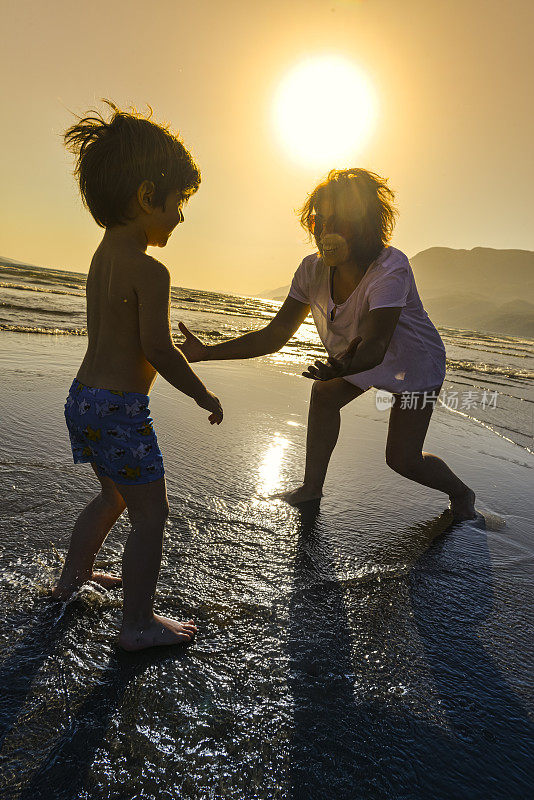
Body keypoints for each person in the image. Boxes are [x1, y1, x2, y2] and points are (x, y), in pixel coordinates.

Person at [179, 168, 476, 521]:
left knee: (402, 460)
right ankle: (311, 490)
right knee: (324, 394)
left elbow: (377, 344)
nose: (326, 230)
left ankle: (462, 494)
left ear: (366, 222)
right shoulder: (312, 270)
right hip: (357, 357)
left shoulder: (389, 268)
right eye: (321, 219)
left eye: (340, 219)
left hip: (414, 363)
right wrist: (207, 352)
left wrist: (344, 366)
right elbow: (275, 336)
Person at [52, 101, 223, 651]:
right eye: (178, 204)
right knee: (152, 513)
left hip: (83, 400)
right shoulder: (151, 270)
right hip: (121, 408)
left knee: (111, 499)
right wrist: (202, 391)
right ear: (147, 197)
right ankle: (137, 625)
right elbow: (156, 347)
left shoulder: (101, 258)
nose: (179, 217)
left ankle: (71, 582)